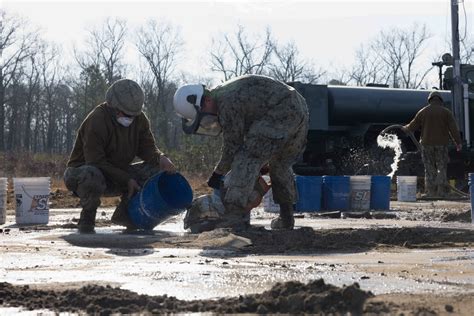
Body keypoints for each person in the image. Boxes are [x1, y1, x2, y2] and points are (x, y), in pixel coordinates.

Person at [173, 75, 309, 230]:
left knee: (247, 156)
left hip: (282, 110)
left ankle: (234, 216)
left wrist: (218, 173)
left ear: (206, 101)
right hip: (299, 109)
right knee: (280, 164)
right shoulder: (226, 94)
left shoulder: (226, 101)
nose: (209, 122)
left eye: (204, 119)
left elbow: (233, 146)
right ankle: (286, 218)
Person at [64, 79, 176, 233]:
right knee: (91, 173)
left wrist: (161, 158)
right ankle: (87, 220)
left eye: (133, 115)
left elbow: (148, 148)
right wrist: (126, 179)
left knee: (156, 169)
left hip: (118, 173)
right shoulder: (97, 120)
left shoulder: (140, 120)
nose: (129, 118)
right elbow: (95, 161)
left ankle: (127, 215)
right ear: (112, 106)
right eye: (125, 113)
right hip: (82, 174)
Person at [403, 90, 462, 197]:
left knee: (429, 168)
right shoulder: (446, 112)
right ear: (440, 100)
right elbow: (454, 129)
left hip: (426, 145)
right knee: (441, 167)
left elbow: (412, 126)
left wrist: (405, 128)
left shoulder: (423, 111)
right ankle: (441, 191)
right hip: (441, 144)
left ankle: (431, 192)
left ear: (430, 100)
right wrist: (458, 142)